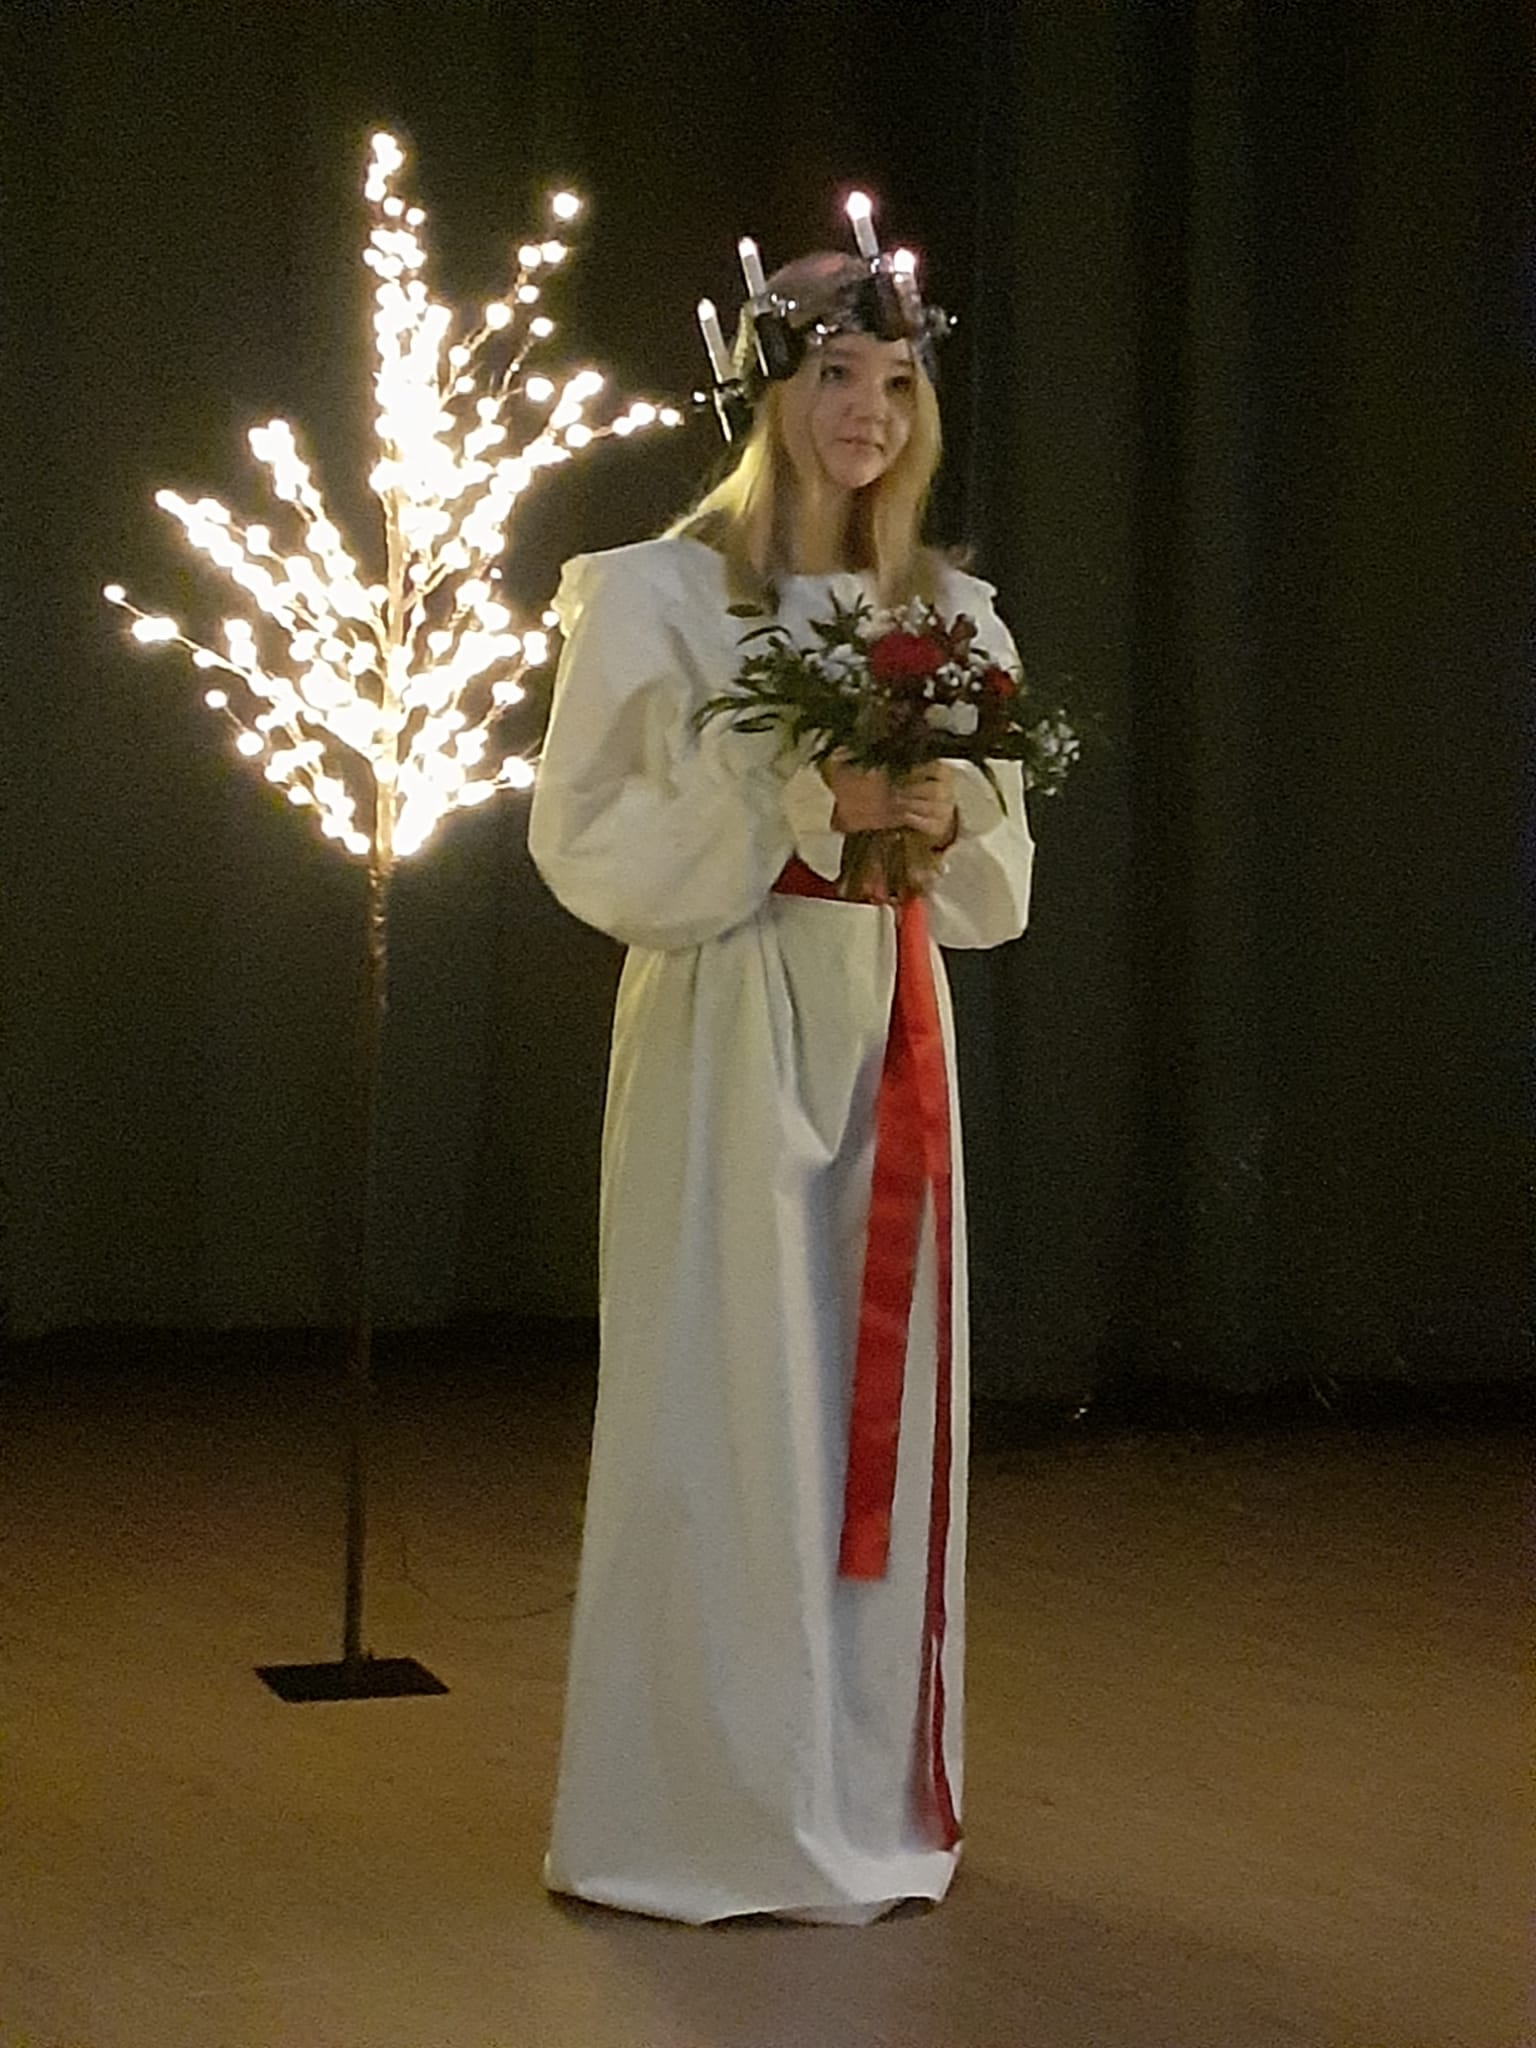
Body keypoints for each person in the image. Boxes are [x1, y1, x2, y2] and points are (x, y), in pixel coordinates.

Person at [528, 243, 1035, 1926]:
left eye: (895, 384)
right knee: (727, 1400)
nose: (866, 414)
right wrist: (790, 803)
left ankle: (852, 1799)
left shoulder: (949, 616)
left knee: (863, 1413)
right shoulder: (659, 596)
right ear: (766, 392)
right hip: (730, 1012)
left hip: (885, 1012)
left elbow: (998, 885)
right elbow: (586, 838)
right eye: (833, 377)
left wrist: (939, 822)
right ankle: (703, 1815)